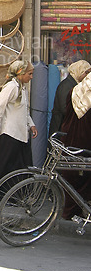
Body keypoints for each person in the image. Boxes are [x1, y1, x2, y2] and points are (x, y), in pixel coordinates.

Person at [0, 59, 38, 189]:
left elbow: (24, 110)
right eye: (29, 74)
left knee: (19, 166)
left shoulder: (22, 88)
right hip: (9, 133)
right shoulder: (10, 87)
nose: (31, 77)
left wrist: (31, 124)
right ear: (20, 73)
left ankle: (15, 195)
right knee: (5, 166)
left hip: (20, 133)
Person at [59, 70, 91, 220]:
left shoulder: (74, 91)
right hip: (86, 141)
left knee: (71, 176)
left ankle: (71, 210)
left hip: (70, 139)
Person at [48, 60, 91, 138]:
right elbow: (64, 108)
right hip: (61, 128)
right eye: (86, 72)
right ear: (79, 71)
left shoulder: (77, 85)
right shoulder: (66, 85)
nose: (87, 76)